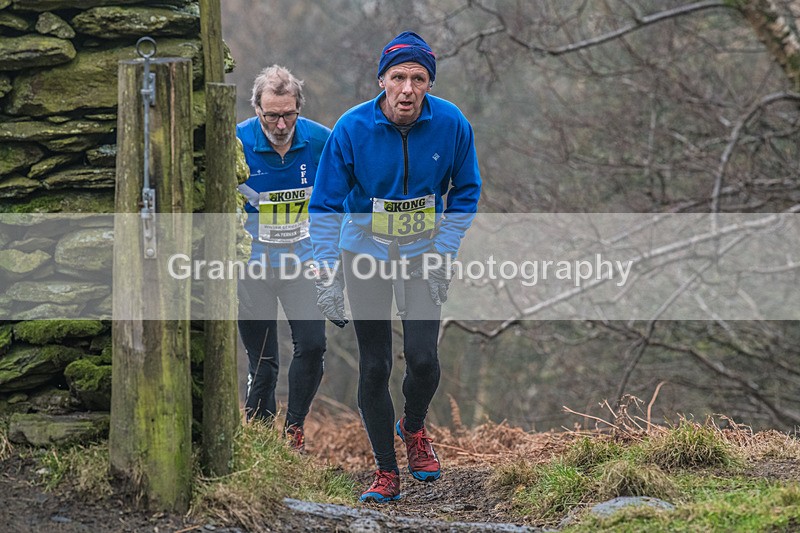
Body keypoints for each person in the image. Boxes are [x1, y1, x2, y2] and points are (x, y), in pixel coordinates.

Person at [309, 32, 481, 502]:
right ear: (382, 79)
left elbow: (465, 192)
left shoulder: (451, 124)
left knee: (424, 360)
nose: (408, 88)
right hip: (364, 250)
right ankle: (386, 472)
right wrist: (325, 270)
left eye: (418, 78)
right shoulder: (351, 128)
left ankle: (415, 427)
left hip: (424, 252)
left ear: (429, 84)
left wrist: (446, 249)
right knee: (374, 365)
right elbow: (323, 205)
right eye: (399, 77)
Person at [236, 65, 331, 452]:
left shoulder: (321, 140)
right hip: (252, 267)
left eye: (288, 114)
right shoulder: (237, 142)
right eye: (271, 115)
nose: (279, 124)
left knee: (313, 345)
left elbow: (342, 194)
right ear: (257, 109)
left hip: (301, 264)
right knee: (264, 361)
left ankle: (293, 428)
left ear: (299, 109)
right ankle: (260, 444)